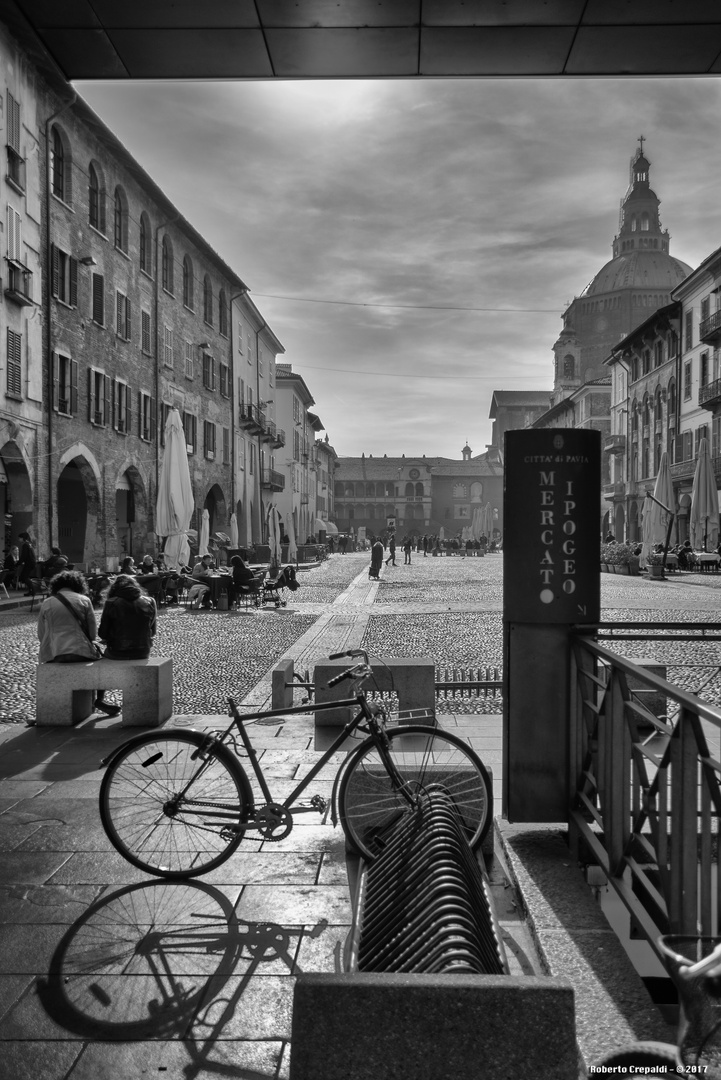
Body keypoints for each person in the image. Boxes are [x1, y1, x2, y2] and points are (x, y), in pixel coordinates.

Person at [37, 569, 119, 716]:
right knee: (103, 660)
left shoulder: (47, 603)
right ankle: (99, 699)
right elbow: (93, 634)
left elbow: (41, 634)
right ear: (78, 585)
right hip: (80, 652)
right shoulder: (84, 600)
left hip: (55, 654)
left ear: (56, 586)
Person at [98, 574, 157, 660]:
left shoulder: (111, 602)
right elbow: (153, 631)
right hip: (143, 651)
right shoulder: (150, 601)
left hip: (117, 651)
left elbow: (103, 633)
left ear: (113, 589)